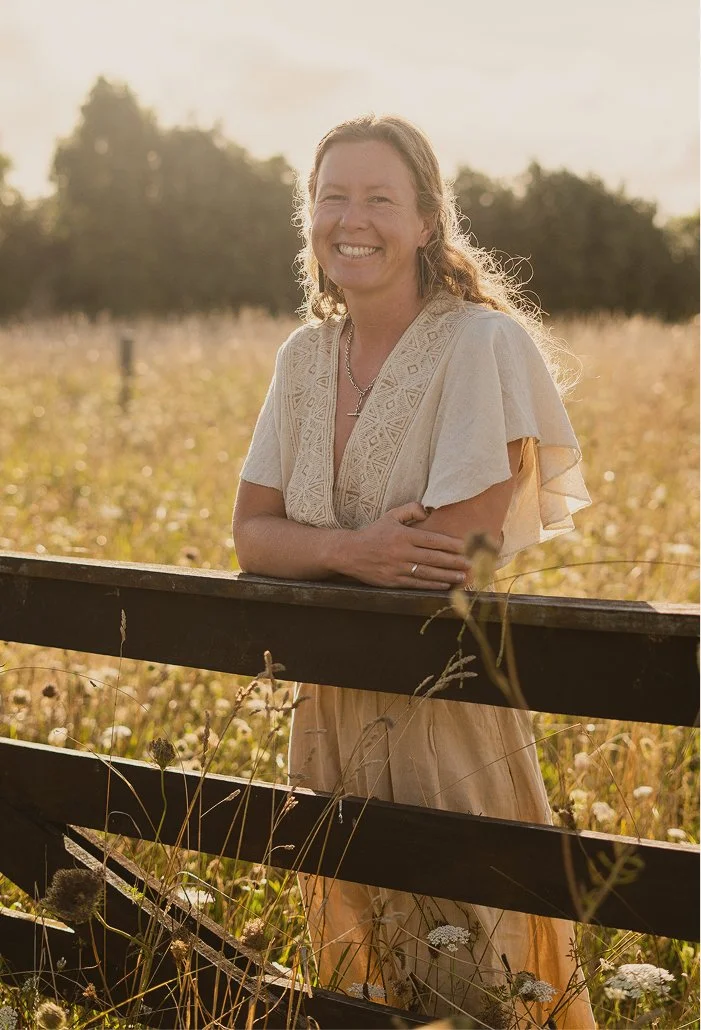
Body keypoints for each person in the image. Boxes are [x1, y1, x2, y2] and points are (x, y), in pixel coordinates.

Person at [232, 114, 594, 1027]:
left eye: (380, 198)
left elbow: (451, 558)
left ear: (429, 221)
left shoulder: (481, 345)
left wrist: (309, 550)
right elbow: (250, 533)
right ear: (308, 214)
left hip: (443, 701)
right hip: (327, 714)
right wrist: (349, 550)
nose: (351, 218)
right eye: (331, 196)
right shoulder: (303, 357)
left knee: (478, 960)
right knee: (358, 971)